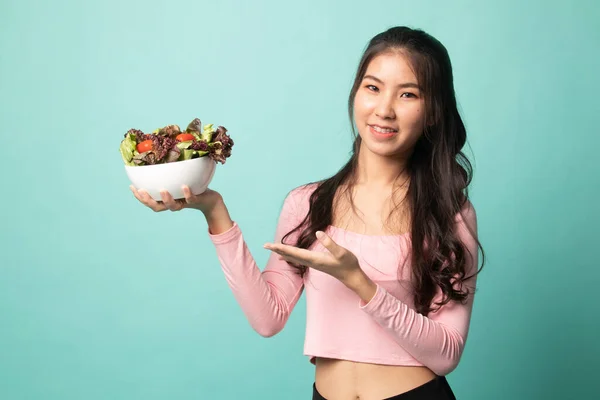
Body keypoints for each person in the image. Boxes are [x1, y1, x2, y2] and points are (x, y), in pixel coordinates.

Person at [131, 26, 485, 400]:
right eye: (372, 87)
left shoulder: (449, 213)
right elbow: (269, 318)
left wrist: (360, 282)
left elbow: (447, 354)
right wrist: (214, 210)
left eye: (408, 94)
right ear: (355, 93)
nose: (384, 109)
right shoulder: (309, 203)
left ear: (432, 112)